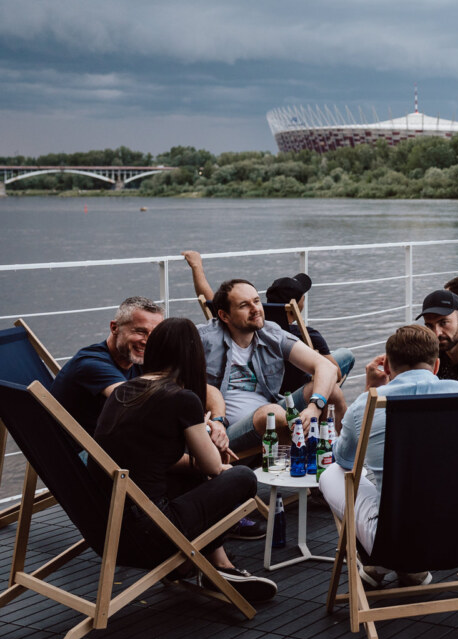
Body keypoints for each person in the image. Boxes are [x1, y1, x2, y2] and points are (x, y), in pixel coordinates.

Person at [92, 318, 276, 602]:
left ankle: (218, 566)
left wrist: (200, 455)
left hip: (109, 525)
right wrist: (212, 436)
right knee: (242, 478)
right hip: (152, 532)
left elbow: (148, 457)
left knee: (191, 473)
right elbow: (213, 467)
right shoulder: (182, 398)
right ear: (193, 356)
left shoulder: (123, 391)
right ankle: (214, 568)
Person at [319, 324, 458, 586]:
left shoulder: (367, 405)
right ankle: (408, 569)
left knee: (333, 472)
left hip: (394, 538)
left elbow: (345, 460)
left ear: (387, 367)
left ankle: (383, 562)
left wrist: (369, 391)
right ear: (435, 366)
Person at [199, 279, 345, 457]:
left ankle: (343, 460)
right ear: (224, 316)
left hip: (273, 412)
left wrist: (315, 406)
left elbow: (326, 367)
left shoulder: (270, 333)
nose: (255, 309)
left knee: (332, 392)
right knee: (273, 414)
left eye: (257, 301)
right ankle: (307, 467)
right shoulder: (203, 339)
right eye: (244, 305)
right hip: (227, 429)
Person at [180, 251, 354, 392]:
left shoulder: (244, 322)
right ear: (295, 304)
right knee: (346, 356)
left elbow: (209, 299)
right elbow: (335, 374)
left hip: (270, 391)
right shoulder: (305, 334)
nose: (254, 307)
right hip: (291, 392)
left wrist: (197, 267)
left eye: (255, 301)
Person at [52, 296, 164, 435]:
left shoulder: (136, 358)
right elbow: (129, 400)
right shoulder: (91, 364)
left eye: (154, 335)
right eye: (140, 331)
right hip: (86, 451)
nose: (147, 341)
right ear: (114, 327)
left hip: (110, 441)